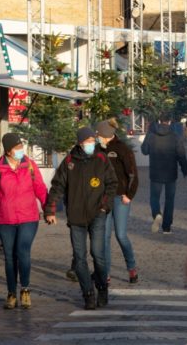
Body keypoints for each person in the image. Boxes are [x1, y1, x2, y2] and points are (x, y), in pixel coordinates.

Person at [44, 125, 117, 310]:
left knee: (98, 255)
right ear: (80, 143)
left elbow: (111, 183)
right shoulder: (69, 161)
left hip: (98, 214)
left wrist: (104, 206)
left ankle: (102, 288)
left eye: (93, 141)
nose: (92, 144)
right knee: (79, 257)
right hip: (76, 216)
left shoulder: (101, 159)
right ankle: (88, 293)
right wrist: (50, 210)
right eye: (88, 141)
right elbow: (57, 186)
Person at [0, 133, 48, 310]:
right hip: (5, 219)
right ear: (8, 151)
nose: (20, 150)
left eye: (21, 146)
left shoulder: (30, 166)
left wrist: (48, 208)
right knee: (10, 257)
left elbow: (40, 188)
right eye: (17, 148)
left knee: (23, 251)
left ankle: (25, 289)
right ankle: (11, 293)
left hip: (29, 217)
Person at [95, 119, 139, 283]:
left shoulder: (122, 149)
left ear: (106, 135)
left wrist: (129, 194)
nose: (97, 137)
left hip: (121, 198)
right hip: (103, 198)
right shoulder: (97, 149)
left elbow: (133, 174)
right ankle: (105, 273)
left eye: (99, 135)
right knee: (104, 237)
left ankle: (131, 267)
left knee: (121, 235)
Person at [140, 114, 187, 235]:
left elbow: (144, 151)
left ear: (159, 121)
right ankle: (167, 227)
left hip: (155, 171)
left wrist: (148, 136)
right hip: (171, 172)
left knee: (154, 197)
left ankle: (157, 213)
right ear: (170, 121)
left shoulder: (151, 135)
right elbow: (181, 154)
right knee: (169, 199)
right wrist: (185, 169)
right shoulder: (175, 137)